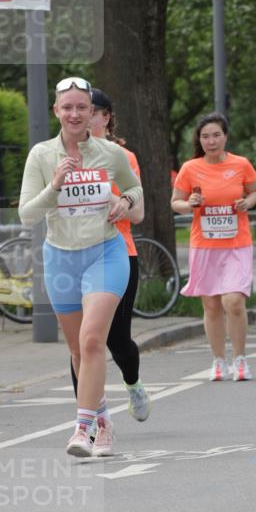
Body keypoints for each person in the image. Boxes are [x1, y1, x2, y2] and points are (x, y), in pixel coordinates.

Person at [19, 77, 143, 457]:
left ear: (93, 113)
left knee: (93, 339)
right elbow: (27, 214)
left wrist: (125, 202)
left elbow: (137, 196)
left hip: (106, 254)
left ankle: (81, 428)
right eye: (67, 107)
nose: (75, 114)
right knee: (77, 349)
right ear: (56, 111)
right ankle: (104, 420)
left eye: (82, 108)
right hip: (60, 258)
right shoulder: (41, 155)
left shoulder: (111, 153)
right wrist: (55, 185)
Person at [66, 88, 151, 425]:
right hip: (74, 256)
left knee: (116, 340)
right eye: (76, 110)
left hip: (118, 254)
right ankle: (87, 419)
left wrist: (121, 204)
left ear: (105, 117)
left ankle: (133, 383)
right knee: (80, 343)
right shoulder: (60, 156)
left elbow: (139, 213)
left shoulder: (121, 157)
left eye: (93, 111)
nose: (84, 117)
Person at [171, 112, 256, 382]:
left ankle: (240, 358)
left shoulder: (241, 164)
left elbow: (255, 190)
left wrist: (248, 202)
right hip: (205, 244)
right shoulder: (190, 168)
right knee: (211, 306)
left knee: (233, 301)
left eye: (216, 135)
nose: (211, 141)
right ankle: (219, 360)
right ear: (199, 140)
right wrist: (190, 205)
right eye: (205, 136)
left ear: (225, 136)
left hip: (237, 243)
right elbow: (176, 201)